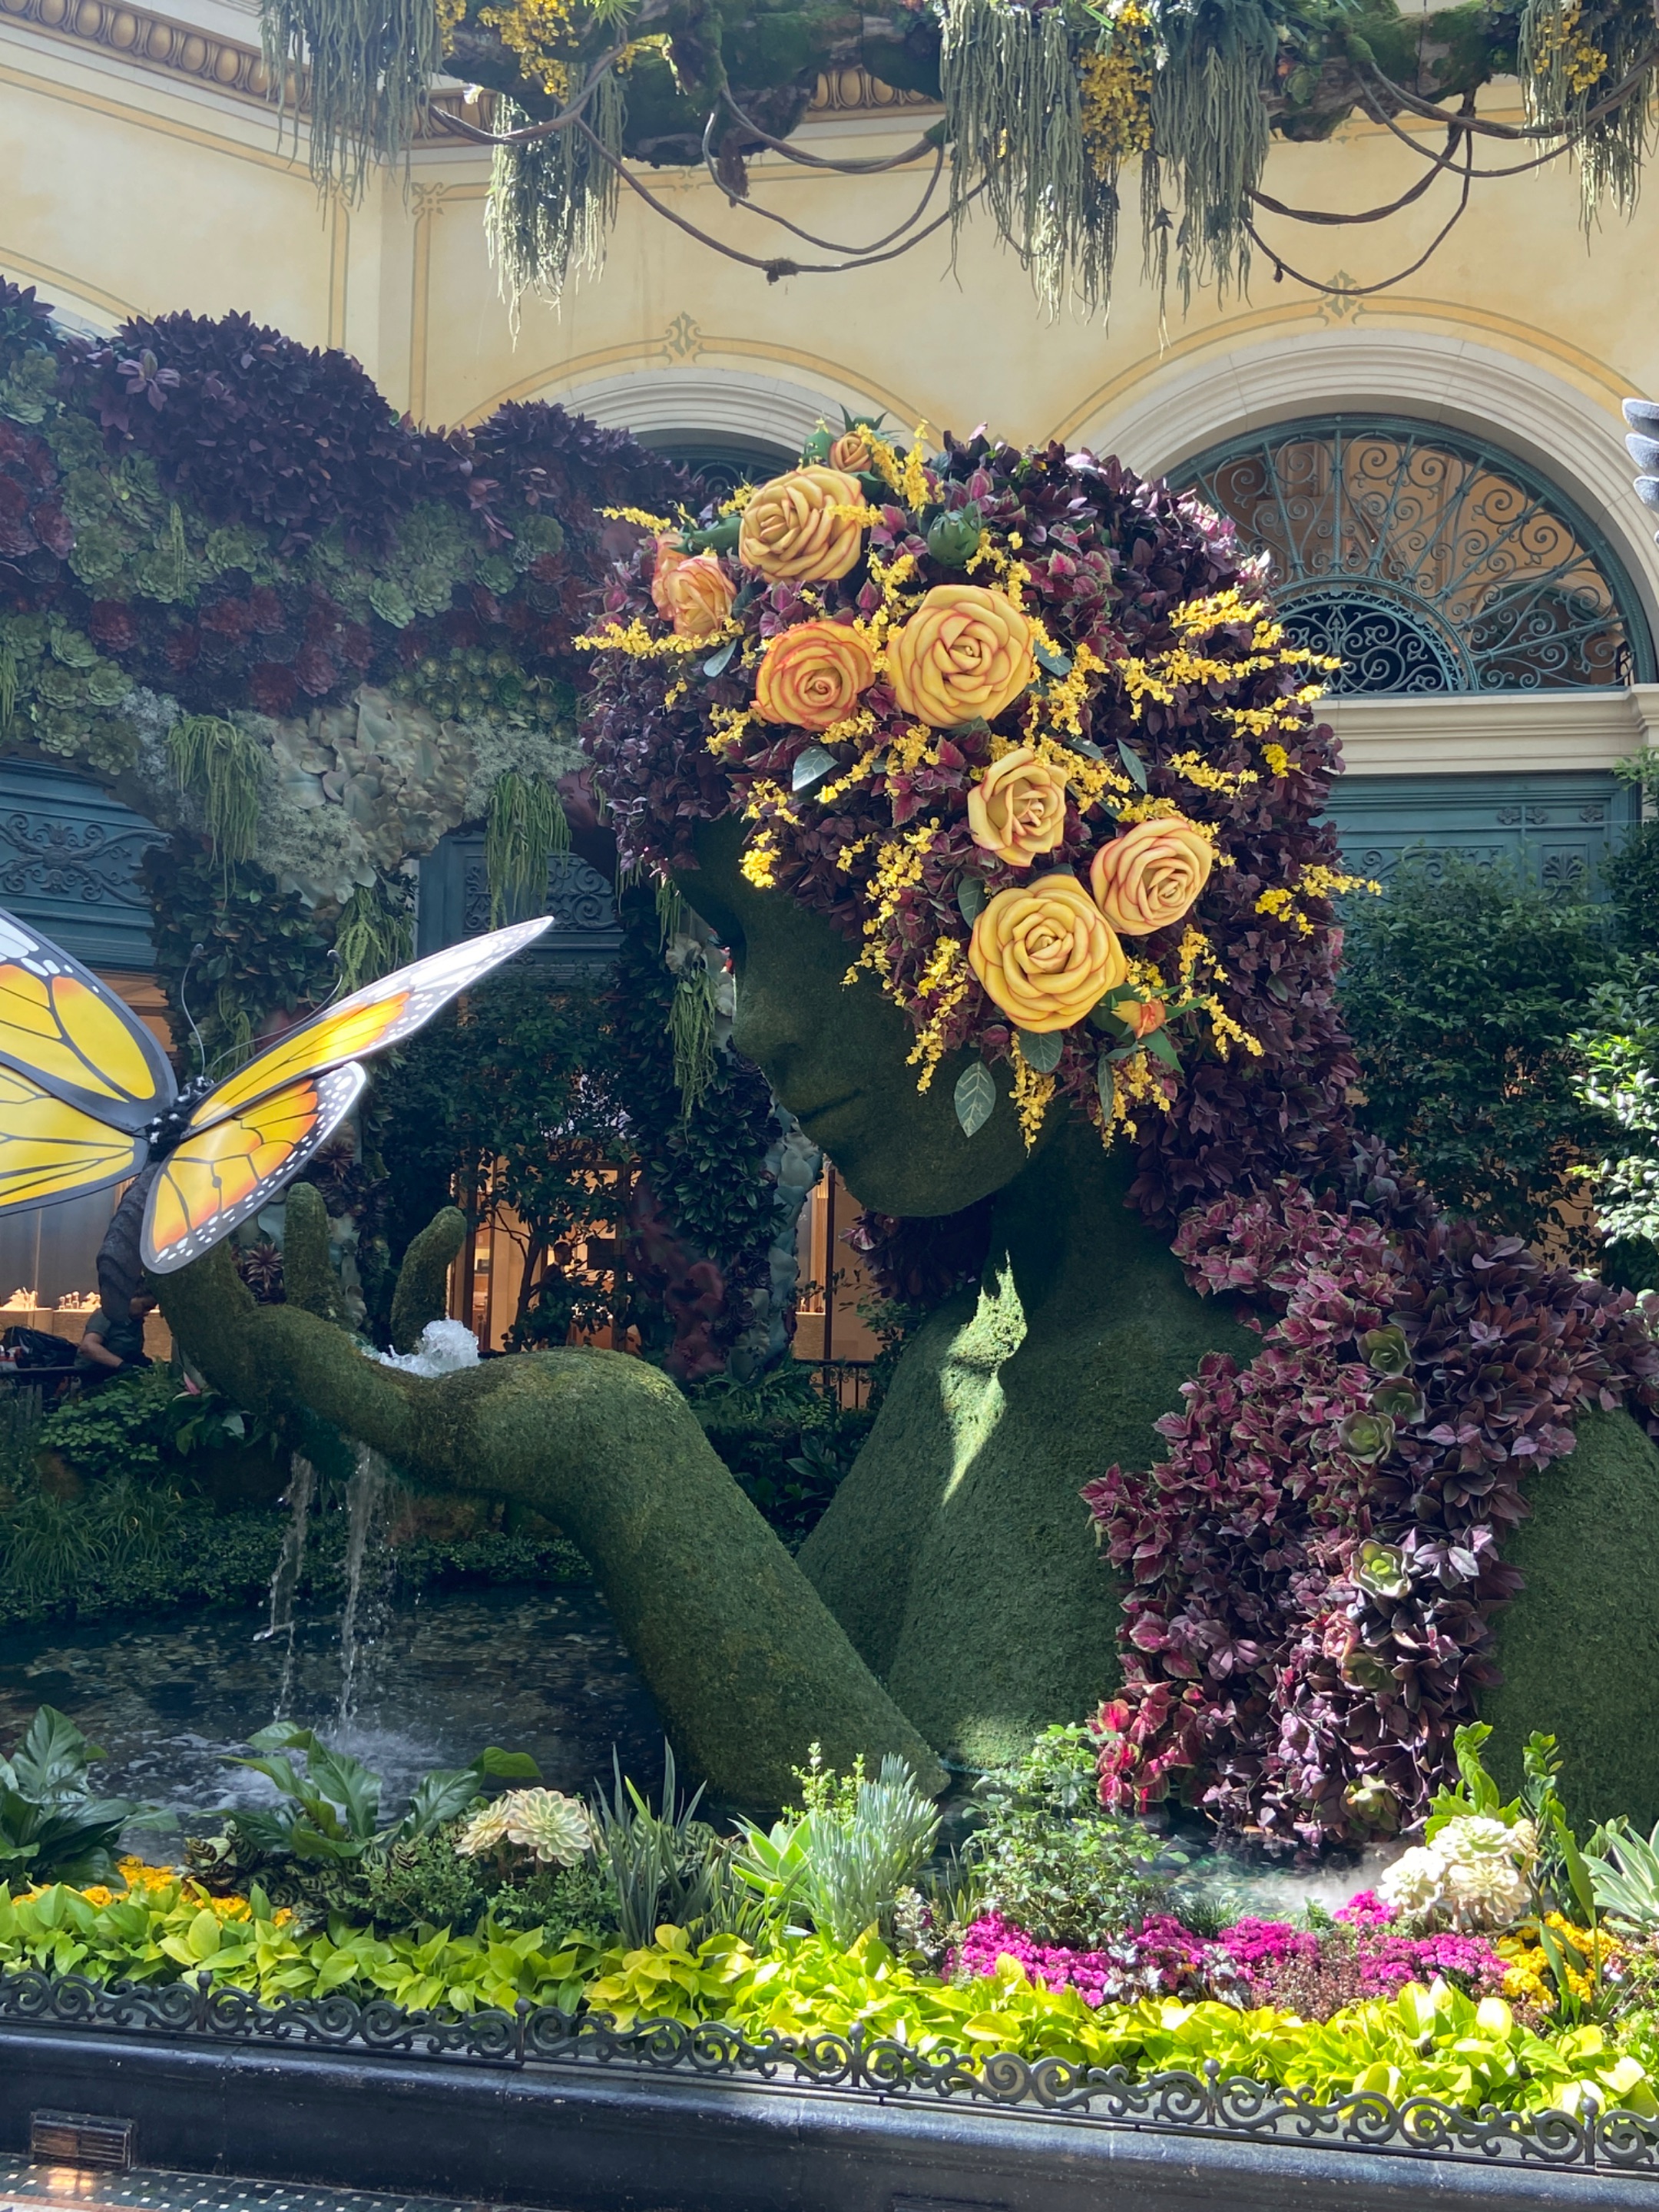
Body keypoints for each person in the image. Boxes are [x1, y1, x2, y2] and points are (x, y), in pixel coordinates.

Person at [75, 1291, 157, 1386]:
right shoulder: (106, 1315)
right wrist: (121, 1365)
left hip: (118, 1378)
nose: (146, 1313)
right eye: (145, 1306)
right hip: (92, 1376)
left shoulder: (135, 1321)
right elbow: (88, 1346)